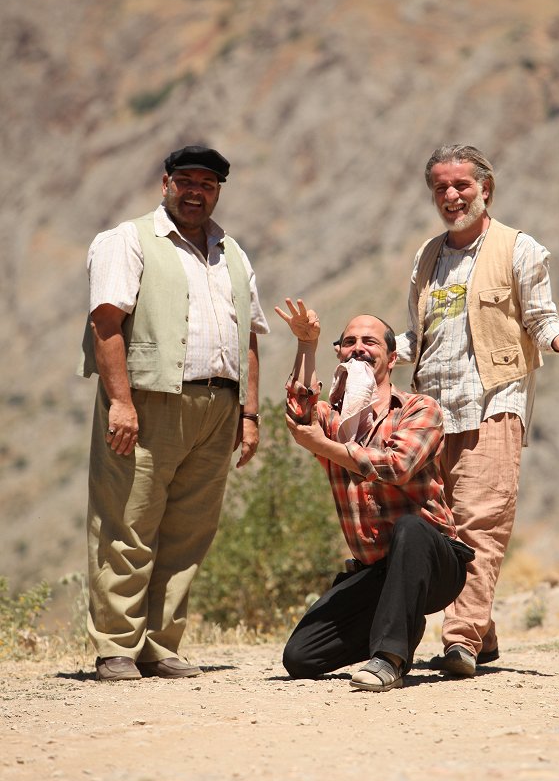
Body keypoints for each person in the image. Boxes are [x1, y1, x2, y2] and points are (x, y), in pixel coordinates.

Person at [396, 144, 559, 677]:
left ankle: (459, 641)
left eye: (461, 185)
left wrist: (558, 340)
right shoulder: (428, 256)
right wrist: (382, 347)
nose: (451, 195)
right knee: (441, 525)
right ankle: (484, 633)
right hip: (431, 411)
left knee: (482, 521)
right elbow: (418, 333)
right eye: (441, 187)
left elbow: (540, 316)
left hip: (493, 400)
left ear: (487, 188)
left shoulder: (520, 250)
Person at [79, 145, 269, 681]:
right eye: (184, 181)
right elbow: (106, 323)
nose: (194, 191)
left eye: (205, 184)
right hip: (148, 400)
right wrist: (120, 401)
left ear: (217, 191)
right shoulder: (129, 240)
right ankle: (116, 646)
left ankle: (160, 646)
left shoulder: (231, 250)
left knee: (190, 528)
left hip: (218, 405)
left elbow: (249, 336)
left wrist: (249, 414)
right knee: (127, 520)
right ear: (165, 183)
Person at [275, 298, 474, 692]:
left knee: (411, 529)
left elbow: (398, 466)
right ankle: (400, 622)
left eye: (370, 341)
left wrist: (328, 447)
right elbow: (301, 414)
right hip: (376, 571)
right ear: (339, 353)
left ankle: (390, 659)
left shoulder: (420, 408)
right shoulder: (334, 419)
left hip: (435, 562)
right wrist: (306, 344)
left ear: (392, 357)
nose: (358, 348)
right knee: (301, 657)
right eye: (348, 342)